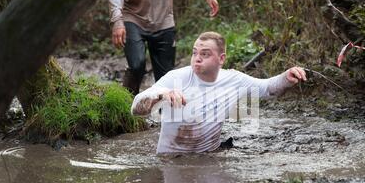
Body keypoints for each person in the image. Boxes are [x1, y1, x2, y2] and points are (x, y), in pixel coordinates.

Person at [131, 32, 307, 154]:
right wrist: (161, 94)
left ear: (221, 59)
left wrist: (286, 77)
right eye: (194, 53)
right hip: (171, 160)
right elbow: (136, 109)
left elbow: (268, 88)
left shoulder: (234, 80)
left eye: (205, 54)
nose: (197, 58)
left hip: (210, 156)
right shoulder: (176, 78)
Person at [107, 0, 219, 95]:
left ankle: (164, 114)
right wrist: (117, 20)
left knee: (166, 78)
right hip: (132, 15)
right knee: (136, 65)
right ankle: (125, 106)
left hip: (164, 19)